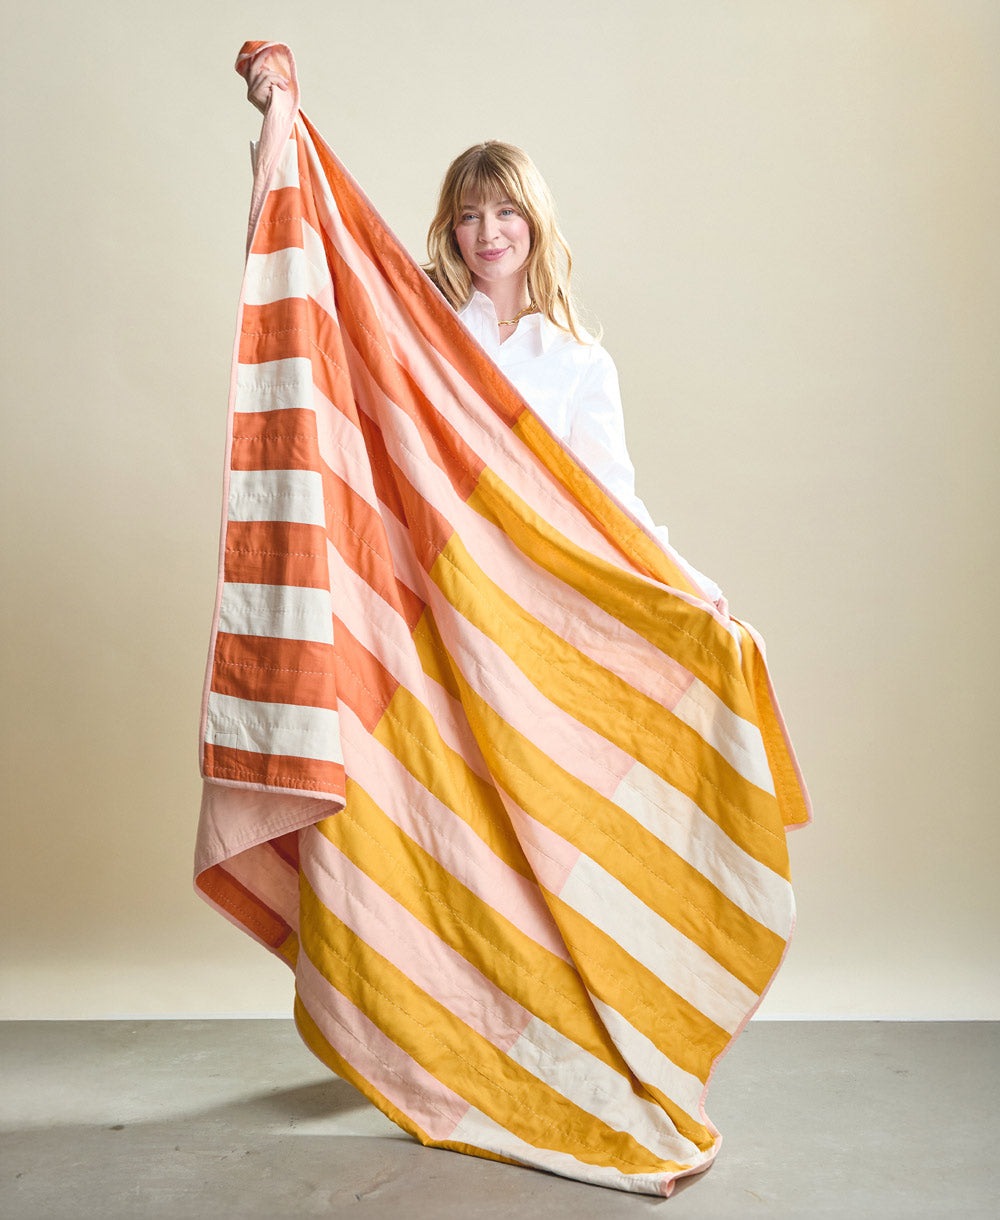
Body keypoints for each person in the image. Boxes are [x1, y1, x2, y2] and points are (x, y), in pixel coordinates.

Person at [246, 70, 724, 608]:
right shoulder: (420, 318)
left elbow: (612, 503)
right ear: (452, 229)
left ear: (534, 221)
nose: (489, 233)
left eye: (506, 212)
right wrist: (277, 131)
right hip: (419, 574)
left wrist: (692, 588)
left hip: (523, 601)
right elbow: (321, 279)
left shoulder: (579, 362)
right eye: (469, 216)